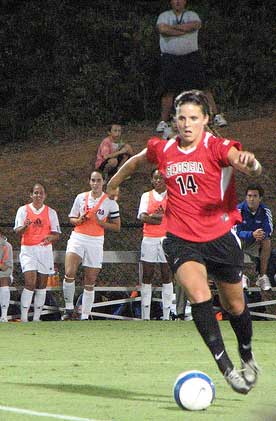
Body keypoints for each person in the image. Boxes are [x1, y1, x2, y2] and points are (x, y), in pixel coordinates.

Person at [107, 89, 262, 394]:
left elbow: (245, 164)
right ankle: (226, 368)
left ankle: (246, 354)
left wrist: (252, 164)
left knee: (235, 304)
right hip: (181, 237)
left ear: (206, 119)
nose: (187, 123)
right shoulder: (164, 150)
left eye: (194, 117)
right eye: (181, 118)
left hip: (219, 237)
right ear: (174, 121)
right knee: (199, 294)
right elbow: (137, 161)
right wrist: (113, 182)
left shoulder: (217, 147)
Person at [155, 0, 227, 137]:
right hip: (170, 58)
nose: (177, 2)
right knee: (167, 91)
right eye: (175, 0)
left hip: (191, 57)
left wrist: (173, 30)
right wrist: (183, 29)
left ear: (185, 2)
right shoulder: (164, 16)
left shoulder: (192, 15)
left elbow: (194, 25)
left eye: (180, 0)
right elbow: (162, 29)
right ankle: (163, 122)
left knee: (203, 87)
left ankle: (216, 116)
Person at [63, 170, 121, 320]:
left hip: (95, 240)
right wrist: (79, 220)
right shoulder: (81, 197)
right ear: (89, 182)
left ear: (103, 182)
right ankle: (68, 308)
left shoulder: (110, 201)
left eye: (98, 180)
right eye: (93, 180)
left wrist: (100, 222)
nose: (95, 184)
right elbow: (72, 218)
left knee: (90, 280)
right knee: (69, 272)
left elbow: (117, 226)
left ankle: (85, 315)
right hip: (79, 236)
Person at [14, 183, 61, 322]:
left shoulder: (51, 212)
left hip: (44, 250)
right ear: (31, 195)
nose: (38, 195)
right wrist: (25, 226)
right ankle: (23, 317)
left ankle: (36, 318)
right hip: (28, 249)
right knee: (30, 282)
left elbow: (56, 234)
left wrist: (51, 237)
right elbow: (18, 230)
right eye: (35, 193)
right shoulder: (23, 210)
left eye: (41, 193)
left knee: (42, 285)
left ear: (45, 195)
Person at [137, 169, 173, 320]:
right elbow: (142, 217)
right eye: (155, 178)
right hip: (150, 238)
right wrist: (157, 218)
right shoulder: (147, 196)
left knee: (167, 275)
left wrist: (155, 217)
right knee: (147, 274)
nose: (158, 180)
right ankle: (146, 315)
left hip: (167, 238)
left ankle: (167, 315)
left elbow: (176, 216)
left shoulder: (172, 196)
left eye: (161, 178)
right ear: (152, 180)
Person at [236, 184, 273, 291]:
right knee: (236, 240)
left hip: (257, 240)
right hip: (242, 240)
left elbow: (269, 229)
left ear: (260, 198)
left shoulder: (265, 210)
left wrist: (260, 234)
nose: (251, 199)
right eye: (249, 196)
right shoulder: (238, 210)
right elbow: (235, 231)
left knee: (267, 241)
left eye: (255, 196)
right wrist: (251, 234)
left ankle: (262, 276)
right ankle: (242, 276)